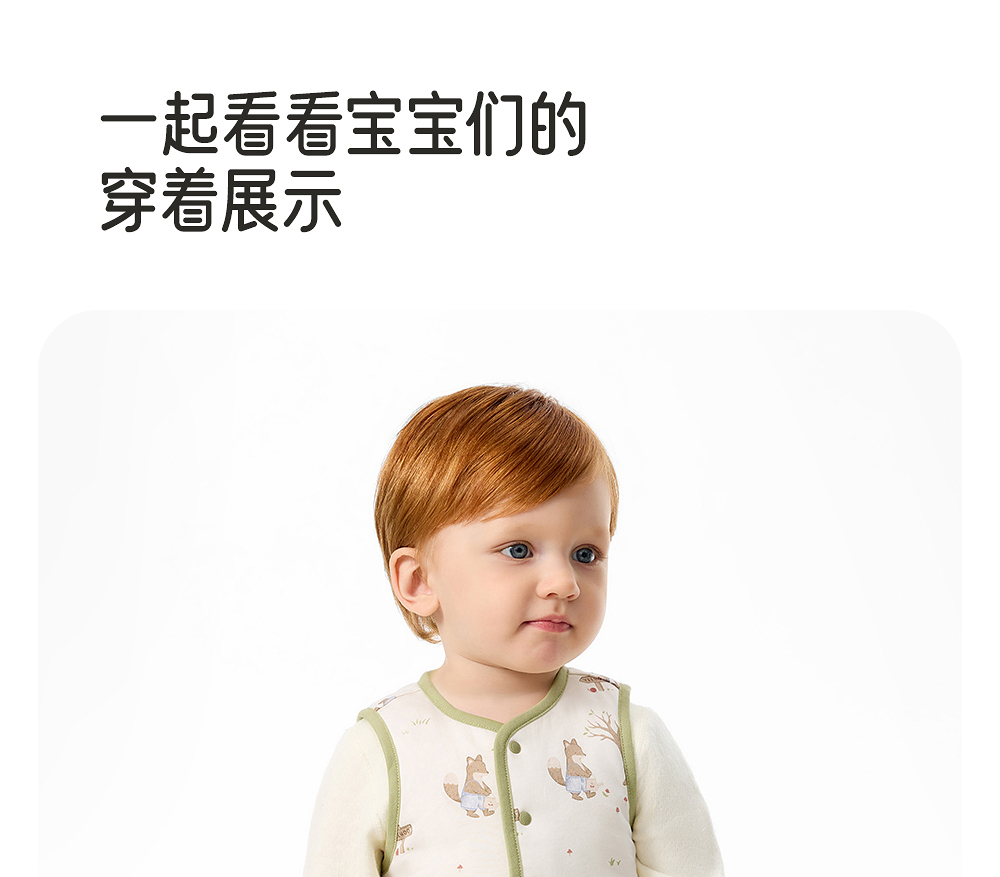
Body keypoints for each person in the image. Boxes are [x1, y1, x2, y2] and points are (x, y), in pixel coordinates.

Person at [303, 385, 724, 876]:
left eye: (585, 554)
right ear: (419, 581)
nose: (565, 582)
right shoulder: (381, 749)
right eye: (519, 550)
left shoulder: (627, 735)